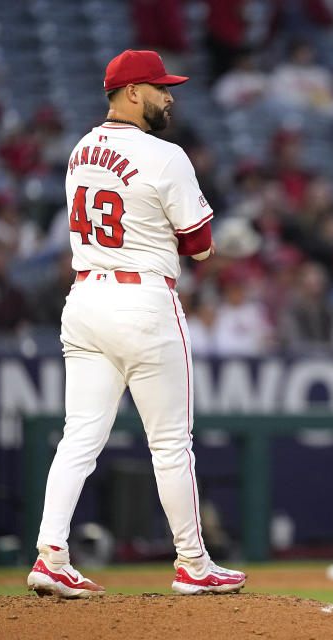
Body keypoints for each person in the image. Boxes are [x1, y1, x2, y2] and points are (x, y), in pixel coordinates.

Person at [26, 50, 246, 598]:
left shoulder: (80, 150)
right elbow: (199, 245)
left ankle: (50, 553)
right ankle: (193, 563)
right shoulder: (165, 156)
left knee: (79, 436)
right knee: (171, 443)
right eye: (159, 87)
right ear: (130, 93)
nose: (169, 96)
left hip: (85, 299)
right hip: (143, 302)